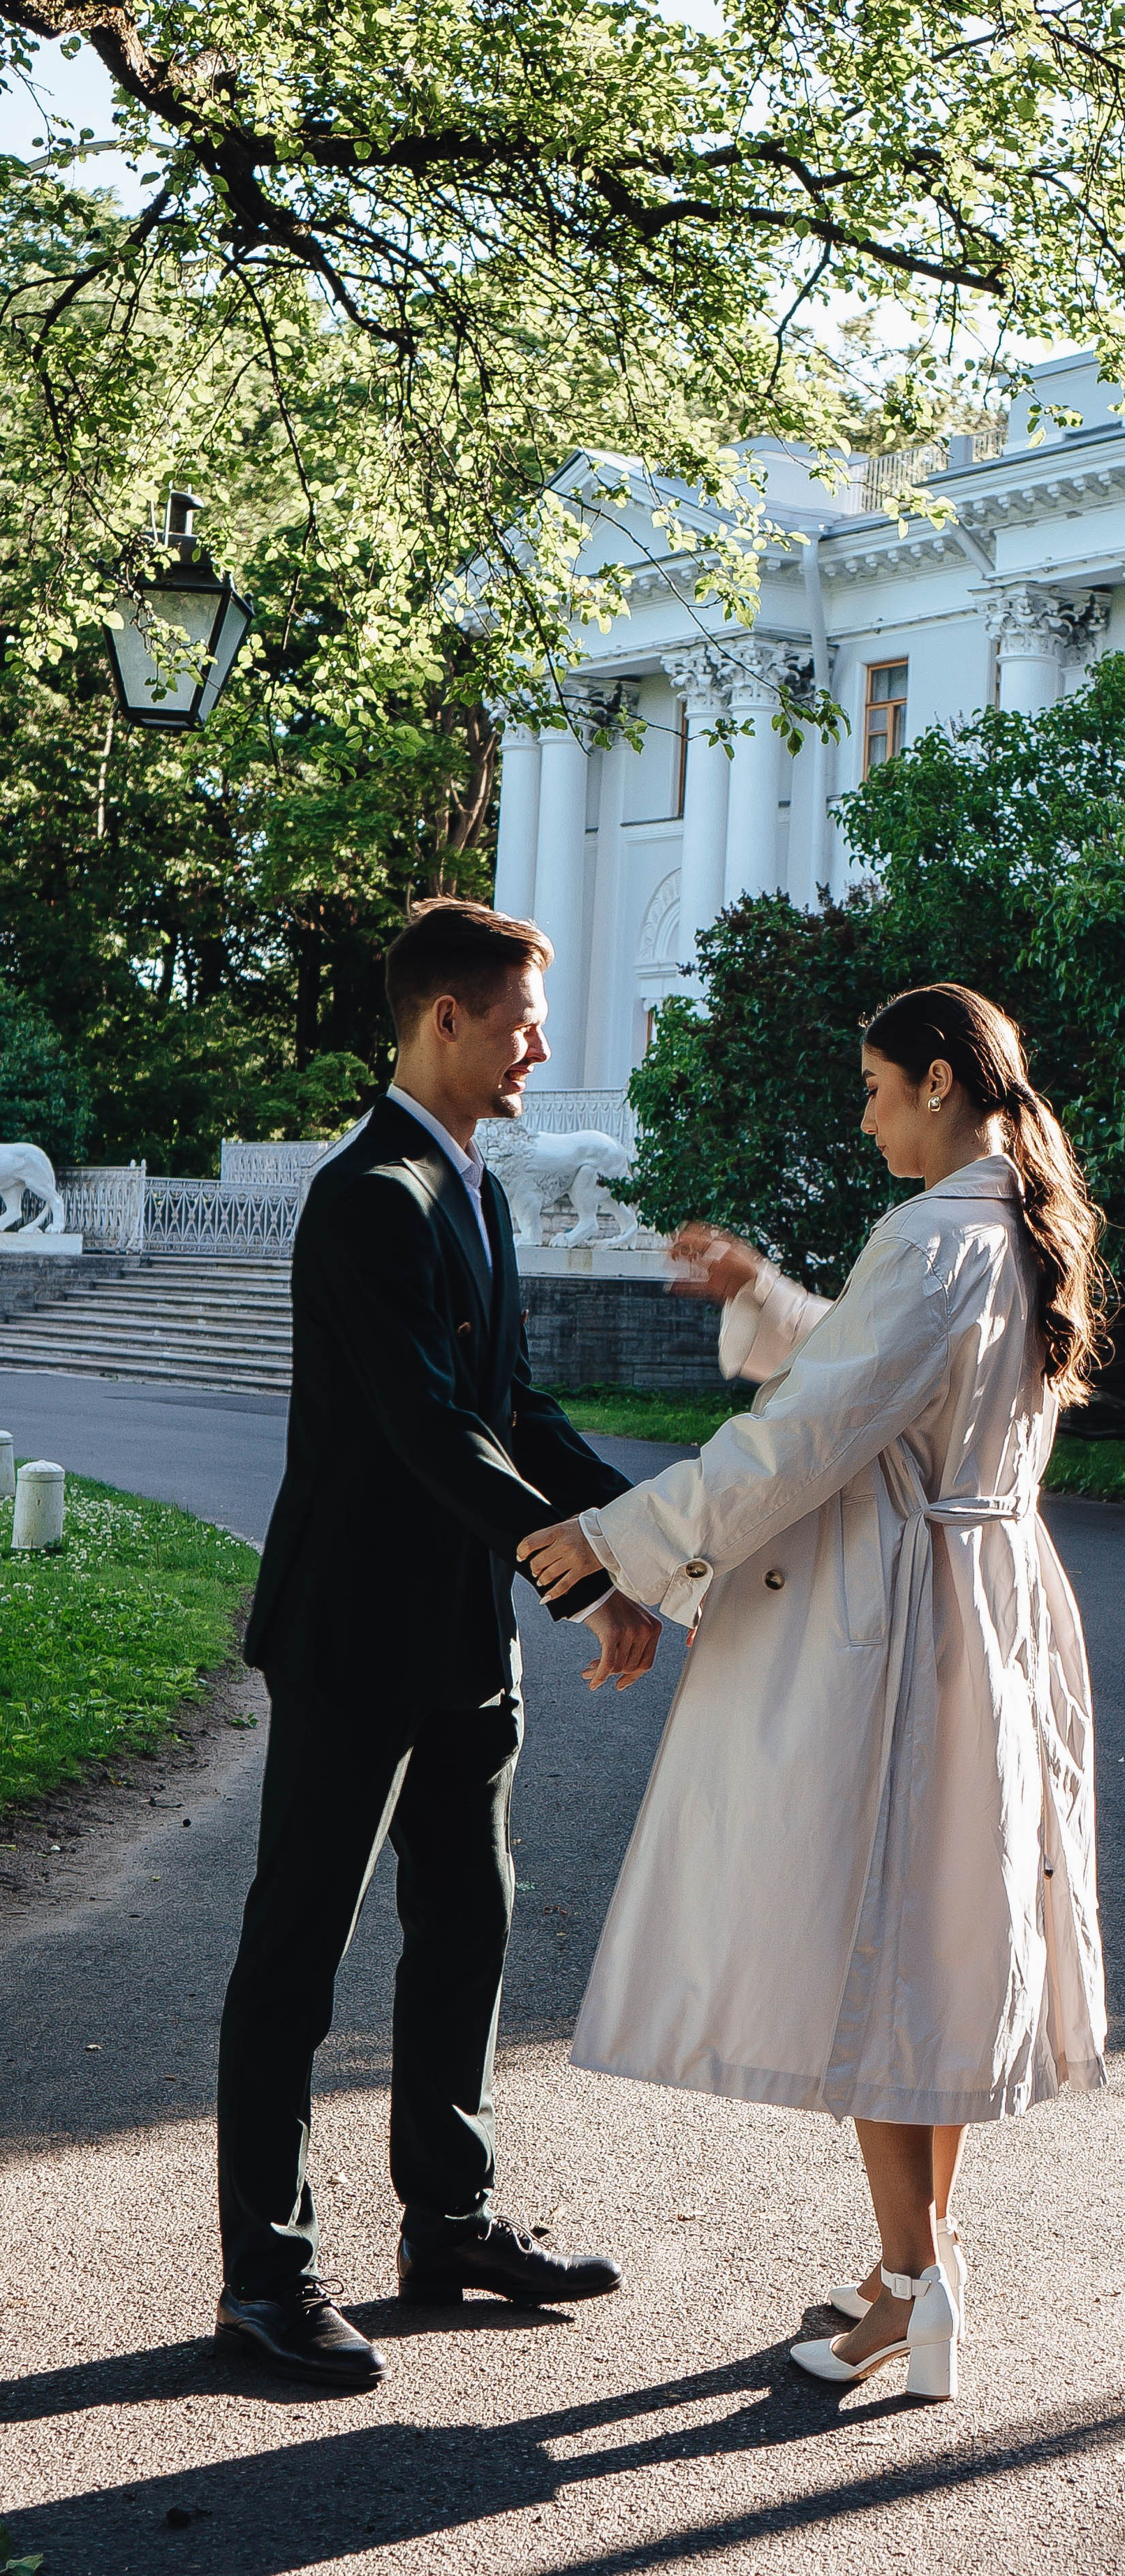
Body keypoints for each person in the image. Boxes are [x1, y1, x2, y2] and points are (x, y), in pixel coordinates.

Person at [520, 982, 1109, 2403]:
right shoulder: (1011, 1224)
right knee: (936, 1953)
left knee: (869, 1949)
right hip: (987, 1606)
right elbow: (874, 1377)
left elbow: (805, 1443)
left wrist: (610, 1538)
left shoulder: (935, 1235)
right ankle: (915, 2271)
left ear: (929, 1080)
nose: (861, 1116)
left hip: (903, 1623)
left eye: (869, 1088)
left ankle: (910, 2295)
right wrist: (766, 1300)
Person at [215, 899, 663, 2390]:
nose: (542, 1044)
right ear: (447, 1020)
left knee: (466, 1927)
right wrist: (587, 1577)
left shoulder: (475, 1189)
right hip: (351, 1633)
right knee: (298, 1949)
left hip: (466, 1633)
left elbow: (516, 1412)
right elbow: (427, 1434)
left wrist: (657, 1522)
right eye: (524, 1018)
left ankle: (450, 2222)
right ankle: (265, 2278)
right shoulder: (370, 1195)